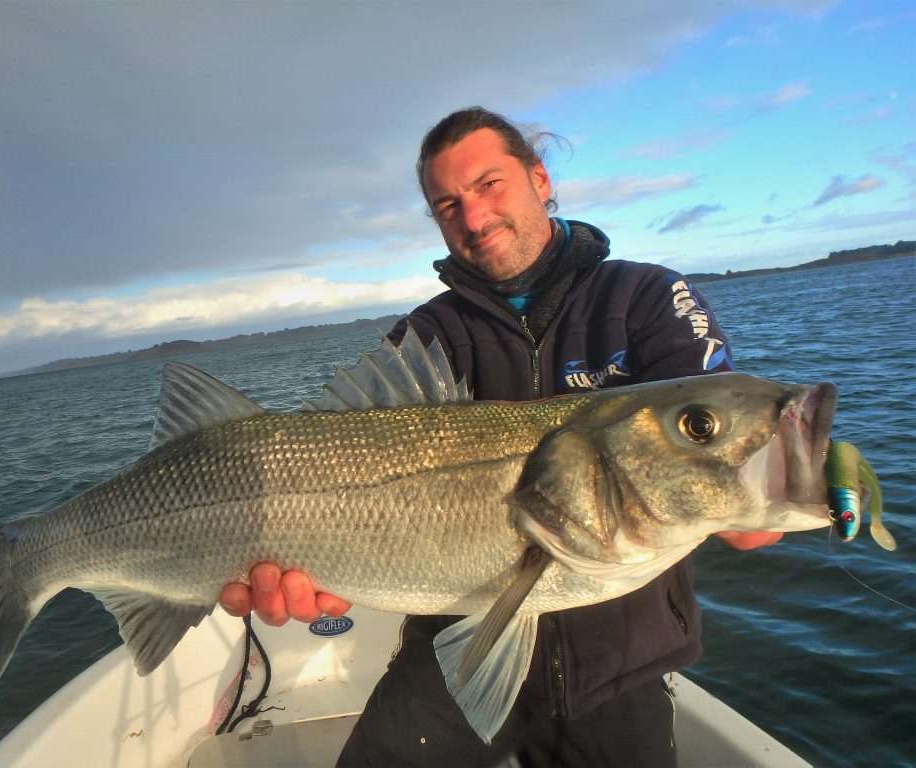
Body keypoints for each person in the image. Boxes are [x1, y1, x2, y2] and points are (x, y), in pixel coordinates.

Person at [220, 107, 781, 766]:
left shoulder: (645, 297)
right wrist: (319, 564)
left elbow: (746, 510)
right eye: (448, 204)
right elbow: (353, 489)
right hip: (454, 648)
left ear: (540, 179)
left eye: (490, 184)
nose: (474, 216)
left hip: (621, 663)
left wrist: (789, 476)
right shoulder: (425, 337)